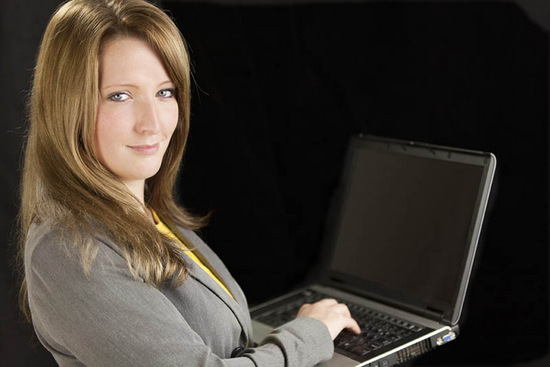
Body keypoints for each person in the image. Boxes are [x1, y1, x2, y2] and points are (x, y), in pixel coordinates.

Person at [18, 0, 360, 366]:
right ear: (67, 107)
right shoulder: (69, 249)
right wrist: (308, 335)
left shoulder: (149, 215)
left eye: (165, 92)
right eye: (120, 96)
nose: (152, 122)